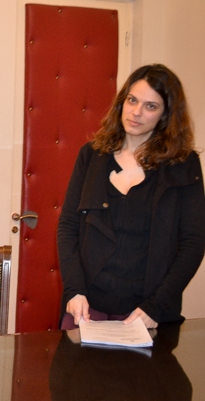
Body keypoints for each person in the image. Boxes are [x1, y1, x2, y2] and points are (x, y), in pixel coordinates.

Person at [57, 64, 205, 330]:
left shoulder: (184, 165)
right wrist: (74, 290)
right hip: (86, 306)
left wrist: (156, 307)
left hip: (146, 313)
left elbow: (193, 243)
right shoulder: (91, 155)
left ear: (166, 115)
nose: (136, 112)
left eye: (151, 106)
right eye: (132, 100)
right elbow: (68, 227)